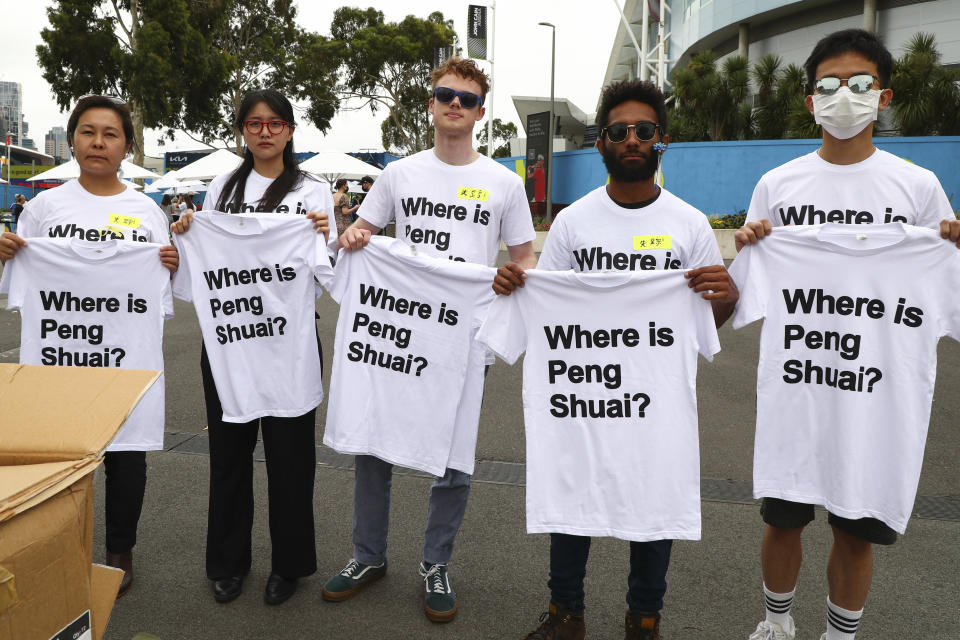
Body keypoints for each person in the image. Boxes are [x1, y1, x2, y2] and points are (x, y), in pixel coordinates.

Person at [734, 29, 960, 640]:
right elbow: (741, 297)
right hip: (797, 394)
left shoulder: (916, 189)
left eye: (860, 85)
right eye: (828, 86)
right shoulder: (778, 187)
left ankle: (841, 635)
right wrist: (750, 250)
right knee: (782, 519)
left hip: (874, 399)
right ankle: (776, 625)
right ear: (810, 100)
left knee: (854, 530)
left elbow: (941, 285)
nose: (844, 97)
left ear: (883, 96)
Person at [494, 80, 737, 640]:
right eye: (619, 131)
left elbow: (704, 323)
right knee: (571, 489)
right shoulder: (574, 223)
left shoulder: (689, 225)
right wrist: (515, 285)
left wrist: (725, 297)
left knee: (655, 501)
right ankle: (565, 615)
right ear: (601, 142)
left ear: (662, 141)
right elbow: (547, 304)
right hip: (583, 394)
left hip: (655, 400)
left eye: (644, 130)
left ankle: (644, 619)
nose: (632, 139)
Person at [324, 56, 537, 622]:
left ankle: (435, 563)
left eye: (466, 100)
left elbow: (523, 258)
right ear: (431, 102)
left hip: (465, 334)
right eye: (446, 94)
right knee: (373, 441)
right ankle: (367, 555)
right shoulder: (400, 174)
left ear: (480, 113)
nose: (454, 105)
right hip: (400, 326)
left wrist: (516, 279)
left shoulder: (503, 183)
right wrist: (353, 234)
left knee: (454, 454)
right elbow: (366, 229)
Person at [0, 94, 178, 597]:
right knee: (58, 455)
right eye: (87, 132)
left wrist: (168, 266)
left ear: (127, 146)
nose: (98, 142)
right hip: (60, 359)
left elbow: (160, 293)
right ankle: (57, 547)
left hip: (123, 358)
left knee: (126, 456)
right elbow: (14, 284)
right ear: (74, 140)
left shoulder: (145, 212)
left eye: (110, 134)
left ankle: (120, 551)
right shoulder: (41, 209)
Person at [171, 88, 333, 606]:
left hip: (289, 342)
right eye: (254, 123)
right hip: (229, 341)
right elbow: (205, 261)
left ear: (290, 129)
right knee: (229, 457)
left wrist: (327, 236)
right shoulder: (221, 186)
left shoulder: (313, 190)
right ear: (242, 129)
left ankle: (289, 566)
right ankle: (227, 563)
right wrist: (186, 233)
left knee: (291, 461)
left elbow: (326, 271)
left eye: (275, 123)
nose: (264, 132)